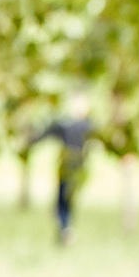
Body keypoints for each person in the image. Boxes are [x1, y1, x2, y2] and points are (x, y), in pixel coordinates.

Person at [27, 96, 95, 245]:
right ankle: (65, 230)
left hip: (69, 168)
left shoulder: (67, 125)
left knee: (63, 202)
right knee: (66, 201)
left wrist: (29, 139)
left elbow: (41, 136)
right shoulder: (90, 126)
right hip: (78, 169)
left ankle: (65, 230)